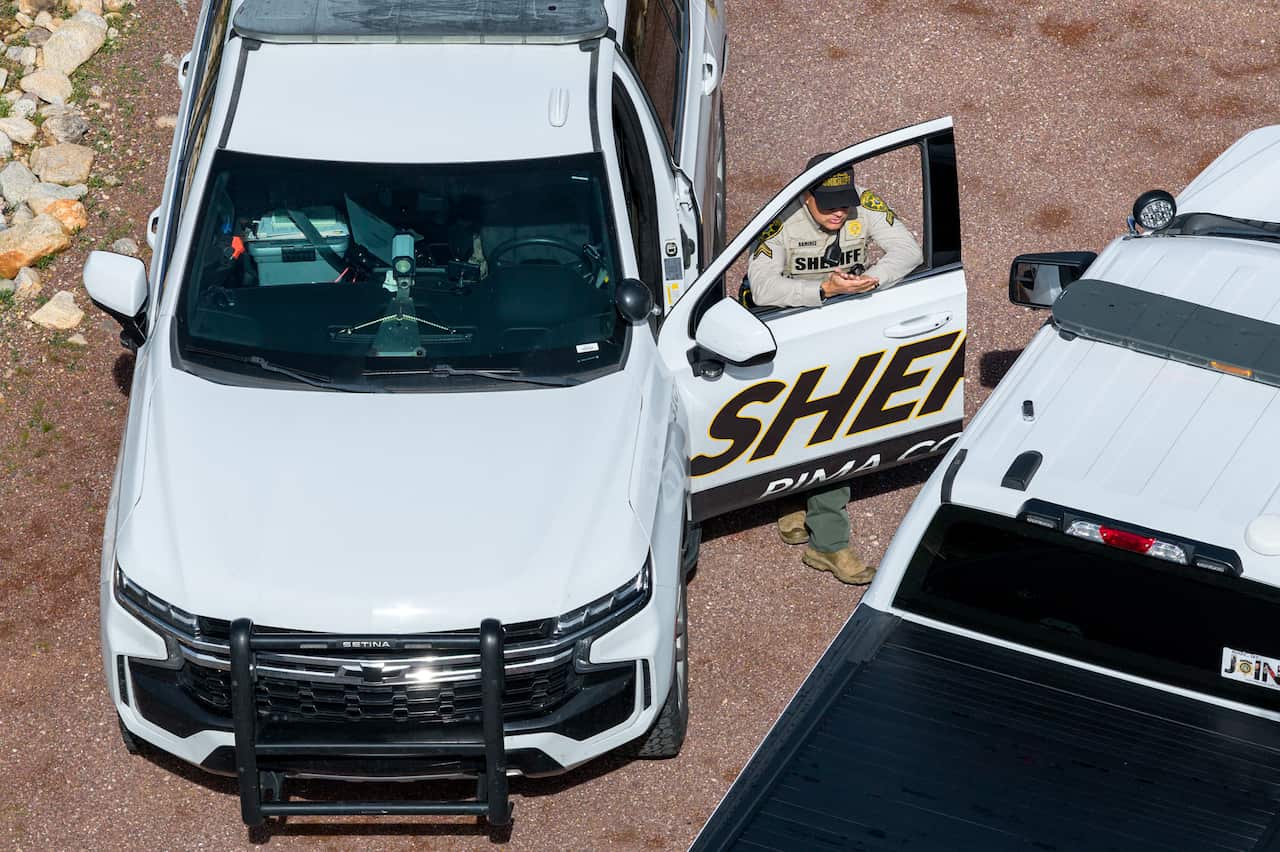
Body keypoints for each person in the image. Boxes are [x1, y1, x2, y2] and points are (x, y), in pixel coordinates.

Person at [745, 155, 923, 585]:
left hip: (840, 330)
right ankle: (793, 497)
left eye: (844, 203)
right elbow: (761, 285)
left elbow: (908, 250)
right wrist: (823, 290)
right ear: (806, 196)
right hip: (786, 329)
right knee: (789, 421)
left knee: (834, 429)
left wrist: (875, 279)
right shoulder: (780, 216)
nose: (841, 212)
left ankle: (828, 542)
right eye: (829, 205)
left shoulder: (862, 202)